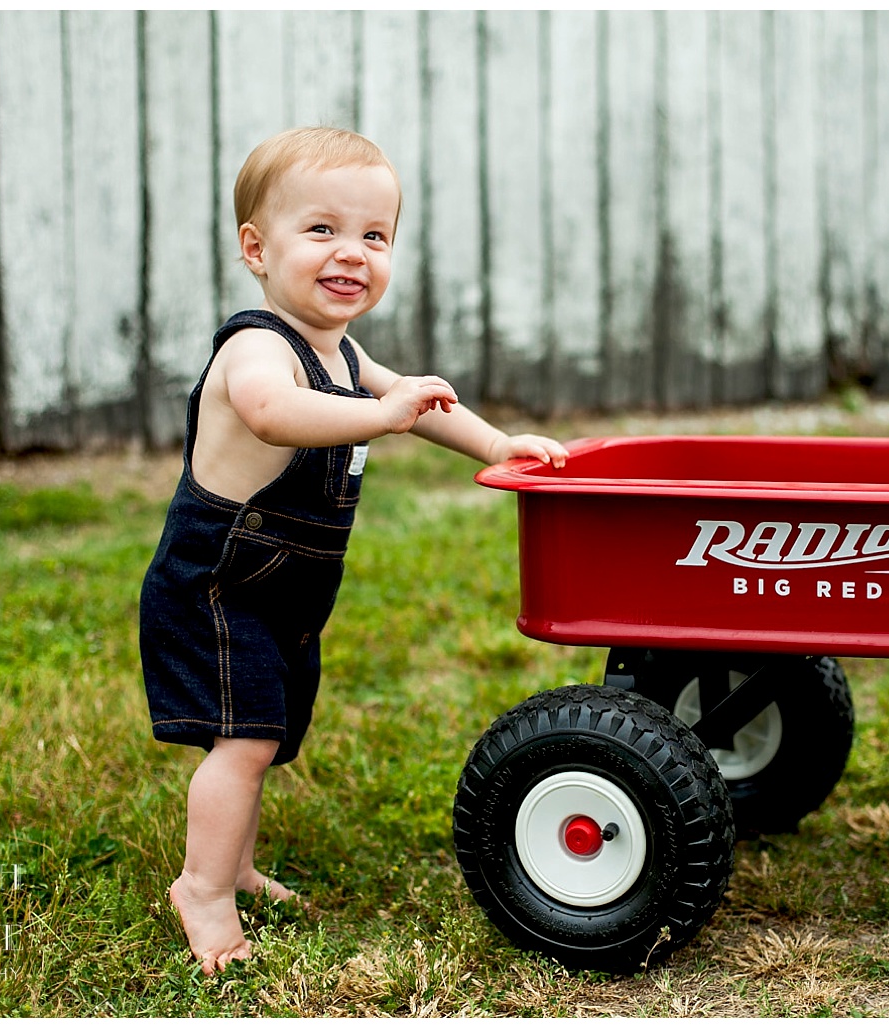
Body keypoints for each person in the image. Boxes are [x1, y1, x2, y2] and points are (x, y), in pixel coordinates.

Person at [138, 126, 568, 976]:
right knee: (244, 739)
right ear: (257, 249)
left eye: (375, 237)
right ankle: (203, 889)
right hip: (218, 580)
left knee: (266, 731)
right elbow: (271, 411)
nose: (352, 254)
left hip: (286, 586)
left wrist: (494, 445)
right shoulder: (257, 345)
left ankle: (240, 865)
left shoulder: (344, 351)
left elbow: (422, 403)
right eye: (323, 230)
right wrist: (382, 412)